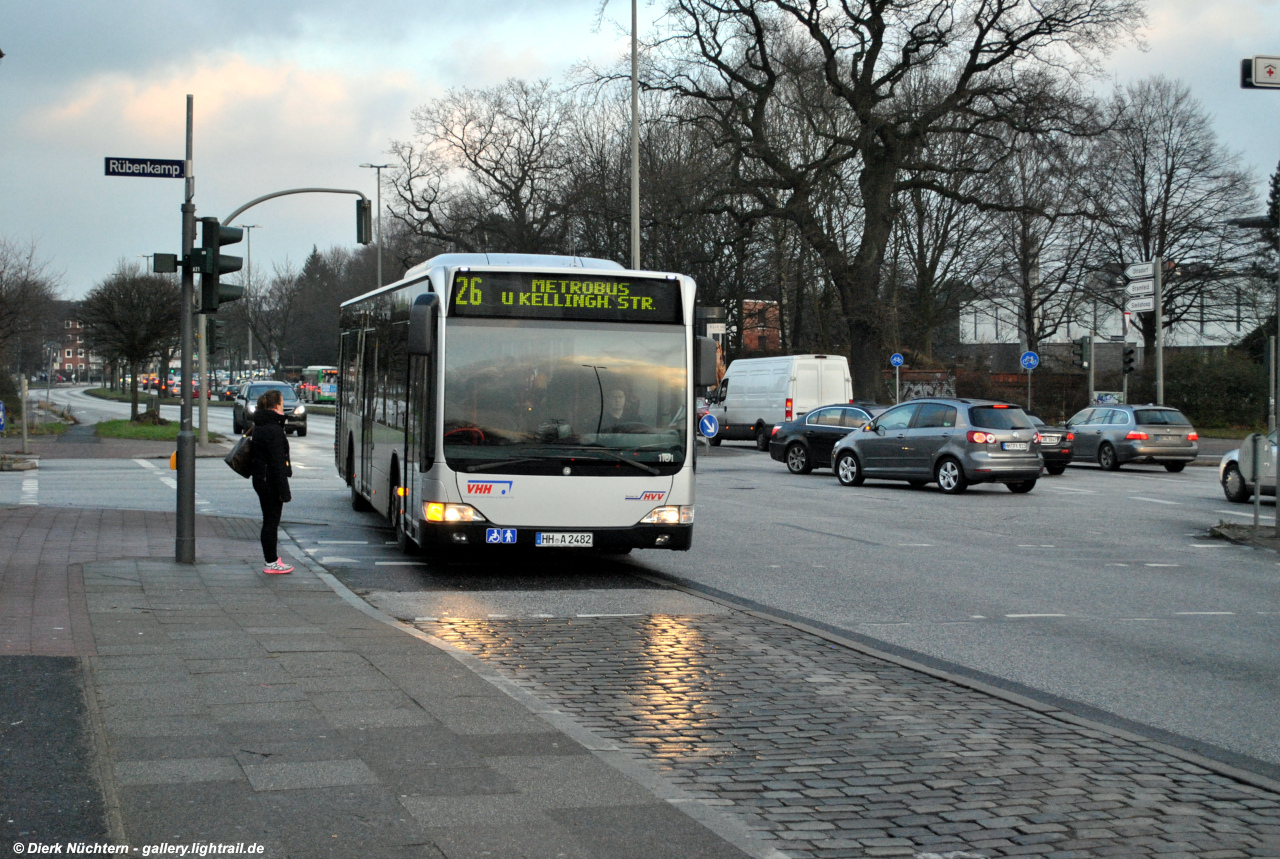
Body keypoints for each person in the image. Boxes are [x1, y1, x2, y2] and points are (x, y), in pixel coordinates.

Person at [251, 388, 294, 574]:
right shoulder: (273, 429)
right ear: (276, 406)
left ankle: (272, 559)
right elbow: (277, 462)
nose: (284, 408)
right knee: (271, 522)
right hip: (270, 481)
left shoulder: (261, 424)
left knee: (269, 520)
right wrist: (285, 492)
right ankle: (271, 562)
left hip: (262, 479)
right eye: (282, 405)